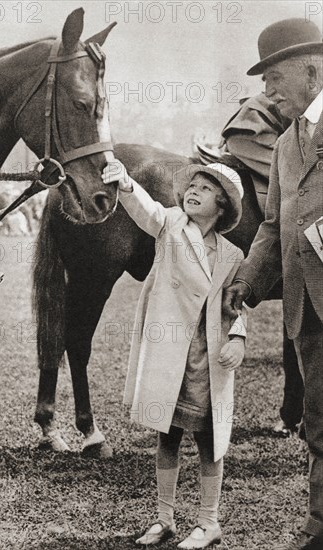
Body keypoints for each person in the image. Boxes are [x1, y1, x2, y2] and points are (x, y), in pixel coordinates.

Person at [103, 160, 247, 548]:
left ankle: (209, 521)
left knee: (208, 440)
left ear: (223, 204)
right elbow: (144, 209)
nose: (193, 191)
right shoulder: (170, 225)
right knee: (166, 435)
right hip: (170, 354)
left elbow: (236, 305)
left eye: (204, 188)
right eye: (191, 186)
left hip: (206, 358)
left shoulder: (232, 255)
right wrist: (125, 182)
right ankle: (164, 518)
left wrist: (237, 339)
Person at [223, 18, 323, 550]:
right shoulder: (286, 144)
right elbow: (270, 225)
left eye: (274, 77)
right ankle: (317, 527)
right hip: (307, 309)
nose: (267, 91)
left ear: (311, 71)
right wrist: (246, 283)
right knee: (318, 417)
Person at [221, 93, 303, 436]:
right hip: (254, 134)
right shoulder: (268, 114)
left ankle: (295, 412)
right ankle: (295, 413)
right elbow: (272, 228)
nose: (270, 84)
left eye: (275, 77)